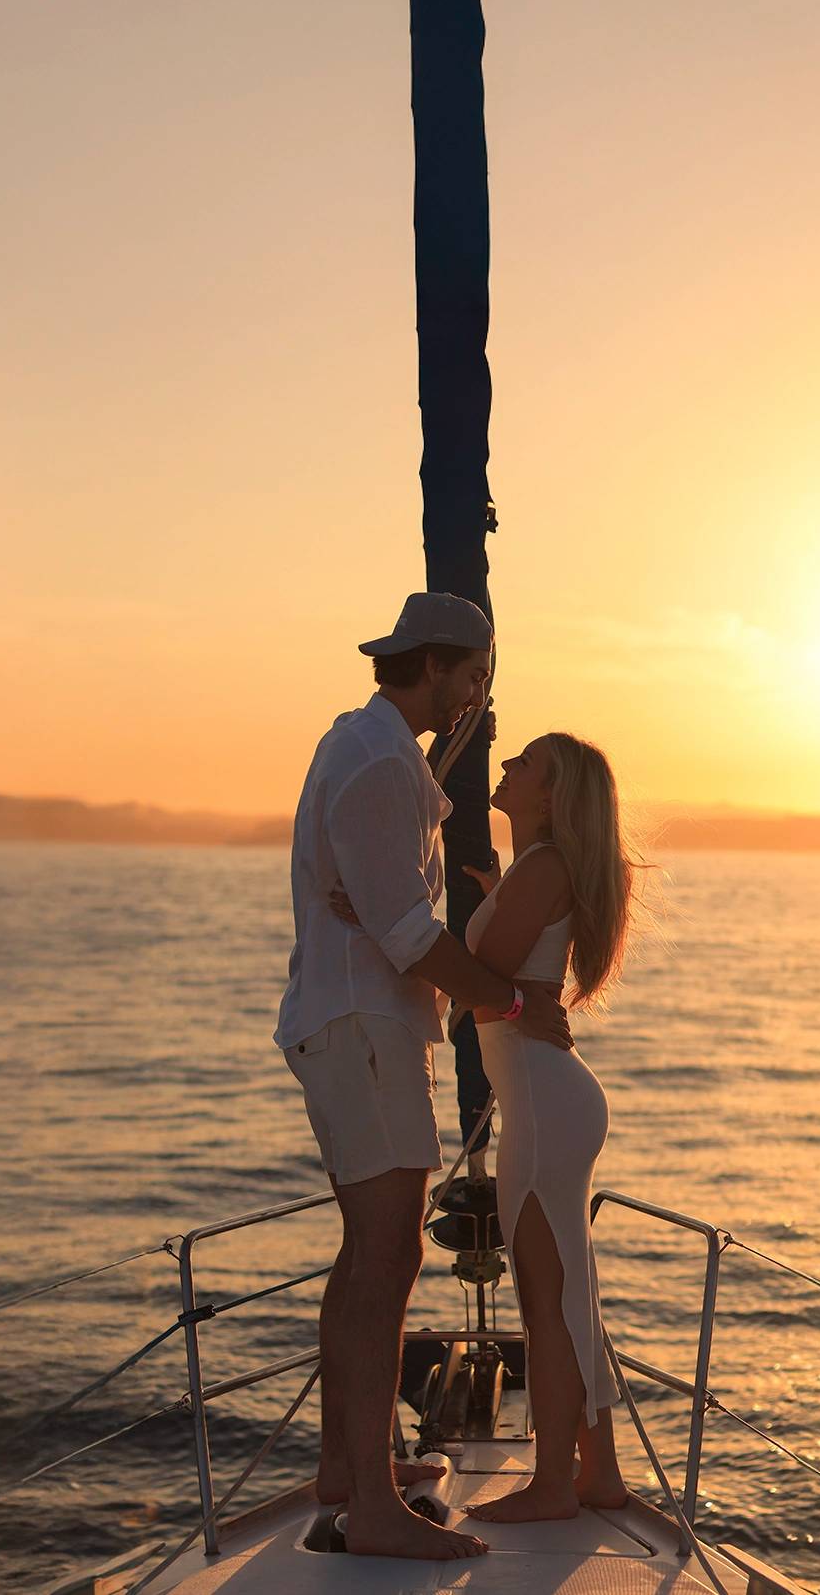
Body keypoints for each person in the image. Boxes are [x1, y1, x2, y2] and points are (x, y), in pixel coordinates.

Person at [274, 593, 572, 1561]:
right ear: (442, 666)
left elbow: (380, 906)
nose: (479, 698)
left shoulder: (367, 752)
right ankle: (370, 1502)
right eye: (475, 678)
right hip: (365, 1029)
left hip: (358, 1022)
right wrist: (513, 1002)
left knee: (367, 1250)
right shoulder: (378, 765)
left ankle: (346, 1464)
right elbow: (407, 935)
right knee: (390, 1254)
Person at [460, 732, 634, 1522]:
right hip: (552, 1097)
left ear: (551, 794)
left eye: (522, 762)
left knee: (549, 1297)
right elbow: (513, 967)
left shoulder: (544, 868)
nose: (504, 767)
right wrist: (498, 890)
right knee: (573, 1292)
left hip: (541, 1098)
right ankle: (598, 1472)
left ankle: (553, 1486)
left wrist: (375, 919)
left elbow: (481, 979)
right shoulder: (539, 869)